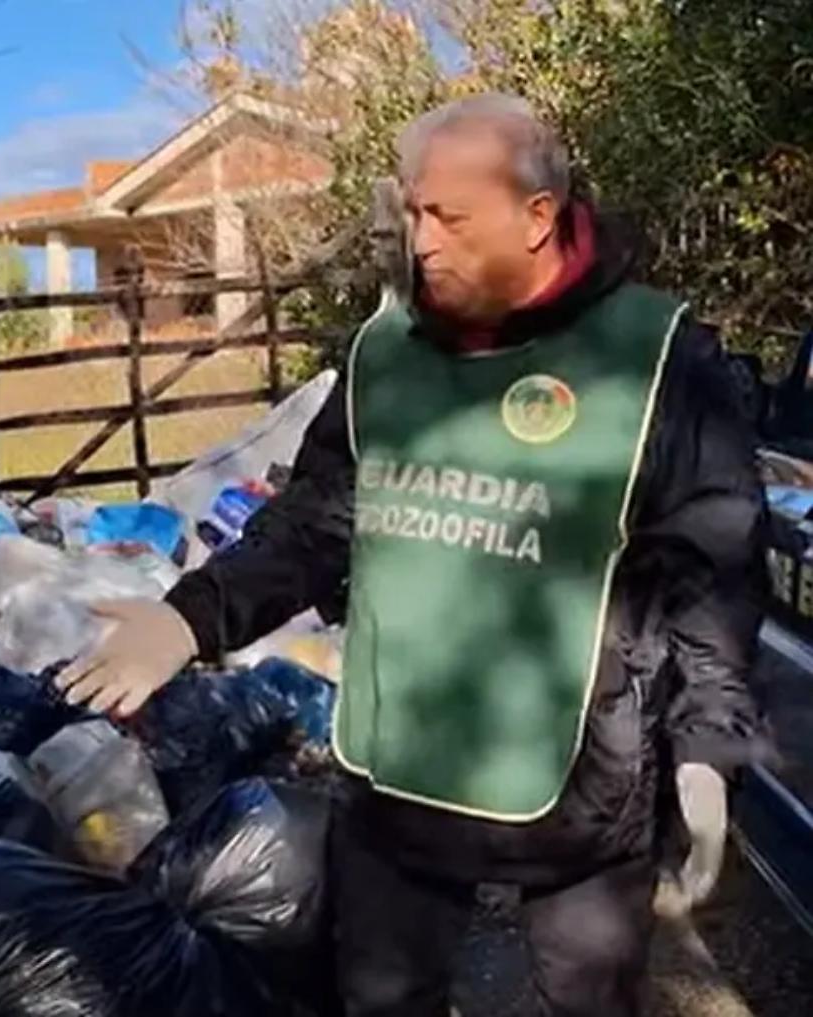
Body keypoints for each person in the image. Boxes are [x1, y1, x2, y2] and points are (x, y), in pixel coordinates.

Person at [58, 93, 768, 1017]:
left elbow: (711, 564)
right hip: (397, 768)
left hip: (583, 777)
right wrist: (188, 618)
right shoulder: (383, 355)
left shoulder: (656, 357)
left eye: (449, 217)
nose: (422, 241)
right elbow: (315, 522)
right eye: (413, 214)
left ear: (538, 216)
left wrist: (707, 749)